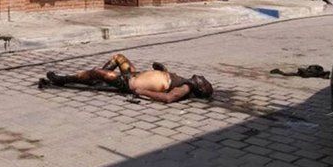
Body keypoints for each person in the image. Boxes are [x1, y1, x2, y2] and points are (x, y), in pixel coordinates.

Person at [41, 54, 214, 104]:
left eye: (203, 81)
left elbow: (167, 98)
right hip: (134, 74)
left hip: (130, 83)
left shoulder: (184, 89)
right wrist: (162, 70)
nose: (201, 77)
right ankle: (95, 77)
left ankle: (62, 79)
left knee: (97, 72)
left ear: (200, 88)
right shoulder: (183, 81)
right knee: (118, 58)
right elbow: (164, 81)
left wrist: (141, 91)